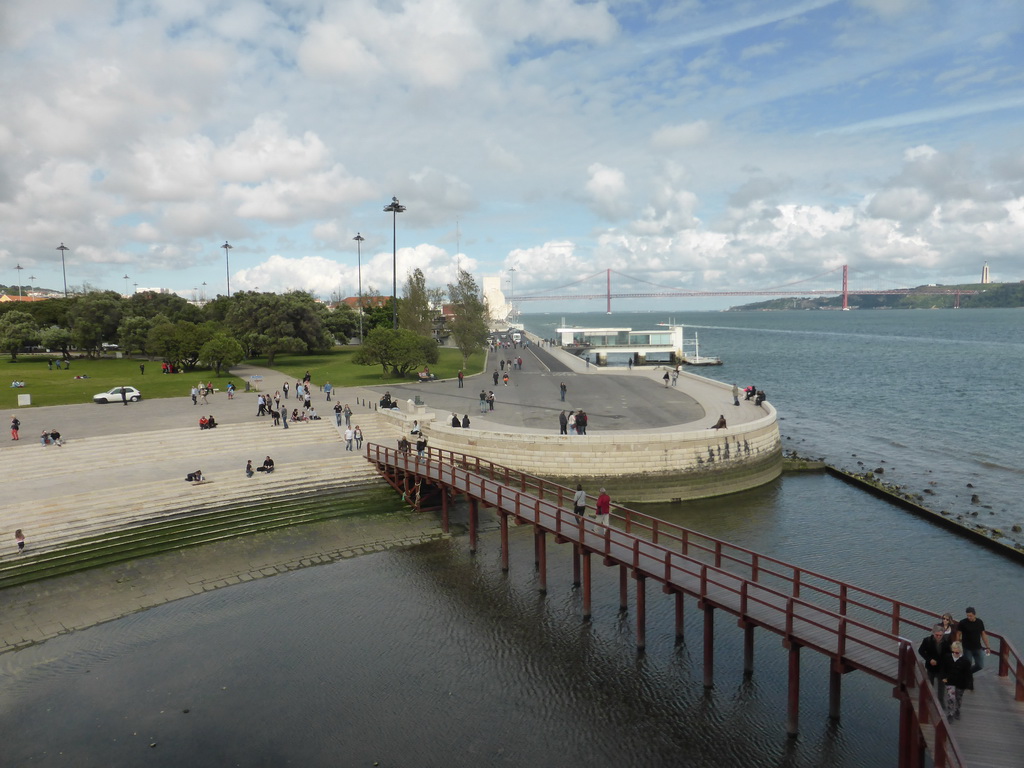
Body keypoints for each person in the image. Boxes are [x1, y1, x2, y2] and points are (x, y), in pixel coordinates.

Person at [941, 641, 974, 720]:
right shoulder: (947, 657)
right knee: (951, 697)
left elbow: (969, 674)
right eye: (955, 648)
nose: (957, 651)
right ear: (952, 649)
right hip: (950, 681)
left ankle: (957, 710)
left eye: (958, 649)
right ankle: (950, 714)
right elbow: (943, 669)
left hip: (961, 683)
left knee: (958, 698)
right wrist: (943, 677)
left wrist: (970, 686)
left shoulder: (966, 661)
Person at [957, 607, 992, 673]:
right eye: (967, 616)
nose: (969, 617)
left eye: (970, 616)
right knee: (967, 665)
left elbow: (983, 634)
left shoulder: (979, 622)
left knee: (980, 665)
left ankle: (967, 674)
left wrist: (988, 647)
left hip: (978, 647)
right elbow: (958, 634)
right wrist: (957, 645)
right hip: (967, 648)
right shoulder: (963, 622)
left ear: (974, 615)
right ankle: (966, 677)